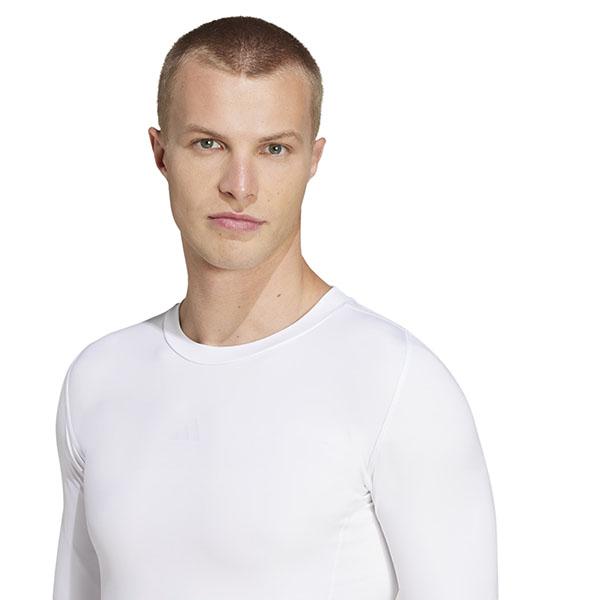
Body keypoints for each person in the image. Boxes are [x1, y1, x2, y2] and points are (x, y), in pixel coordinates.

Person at [52, 15, 498, 600]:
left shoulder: (396, 384)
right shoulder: (98, 379)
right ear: (161, 153)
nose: (240, 185)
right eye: (208, 143)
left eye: (274, 149)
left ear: (313, 159)